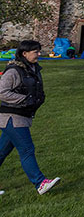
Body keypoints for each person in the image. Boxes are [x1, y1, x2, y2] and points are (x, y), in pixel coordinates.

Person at [0, 40, 60, 194]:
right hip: (12, 117)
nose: (39, 54)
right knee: (27, 149)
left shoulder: (32, 68)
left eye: (39, 51)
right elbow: (2, 91)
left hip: (23, 116)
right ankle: (40, 183)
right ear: (24, 54)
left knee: (1, 152)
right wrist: (24, 99)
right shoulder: (14, 71)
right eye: (35, 52)